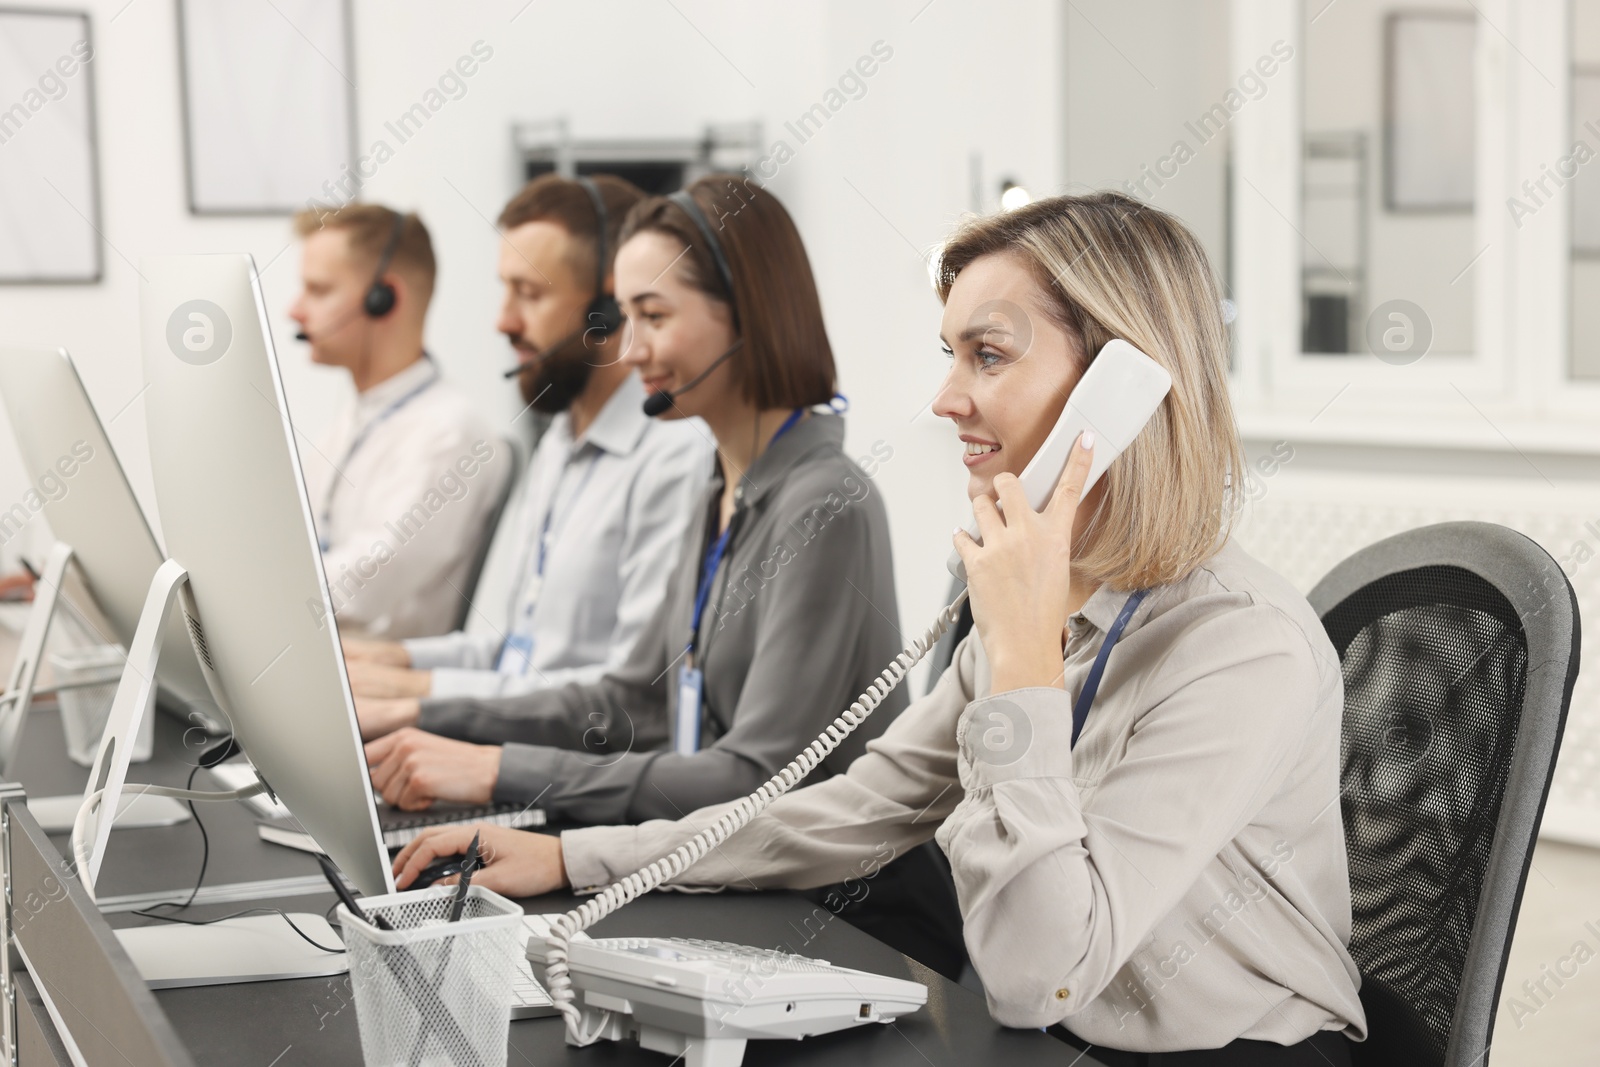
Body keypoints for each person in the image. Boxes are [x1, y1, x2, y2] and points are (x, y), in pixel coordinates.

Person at [392, 191, 1369, 1064]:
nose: (946, 399)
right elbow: (859, 804)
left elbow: (1036, 972)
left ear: (1125, 390)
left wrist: (1023, 655)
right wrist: (575, 856)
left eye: (986, 354)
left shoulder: (1239, 647)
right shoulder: (1044, 608)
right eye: (950, 355)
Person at [357, 174, 908, 822]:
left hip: (829, 904)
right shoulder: (717, 487)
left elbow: (760, 778)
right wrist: (422, 716)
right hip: (717, 858)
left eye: (654, 315)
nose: (629, 348)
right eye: (627, 315)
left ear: (746, 312)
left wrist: (498, 768)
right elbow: (638, 704)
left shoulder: (824, 504)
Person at [340, 175, 710, 700]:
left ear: (608, 311)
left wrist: (412, 694)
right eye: (505, 289)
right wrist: (383, 661)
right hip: (515, 737)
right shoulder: (560, 438)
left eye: (529, 293)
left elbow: (633, 697)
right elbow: (513, 651)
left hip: (571, 766)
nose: (502, 321)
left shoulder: (673, 457)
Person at [290, 204, 510, 640]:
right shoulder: (357, 417)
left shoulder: (449, 433)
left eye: (317, 291)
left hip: (370, 686)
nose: (295, 311)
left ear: (383, 298)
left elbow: (363, 584)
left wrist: (255, 594)